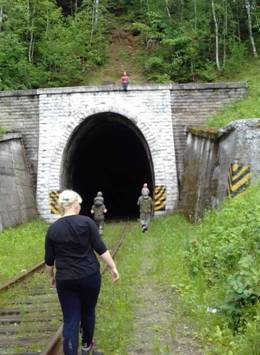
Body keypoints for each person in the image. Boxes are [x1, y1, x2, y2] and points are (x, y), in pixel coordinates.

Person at [44, 190, 119, 355]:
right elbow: (100, 248)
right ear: (75, 204)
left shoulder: (53, 229)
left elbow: (49, 260)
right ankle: (86, 348)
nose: (79, 207)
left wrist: (51, 277)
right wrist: (113, 267)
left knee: (70, 319)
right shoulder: (86, 222)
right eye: (79, 204)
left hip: (66, 280)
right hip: (90, 276)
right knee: (88, 312)